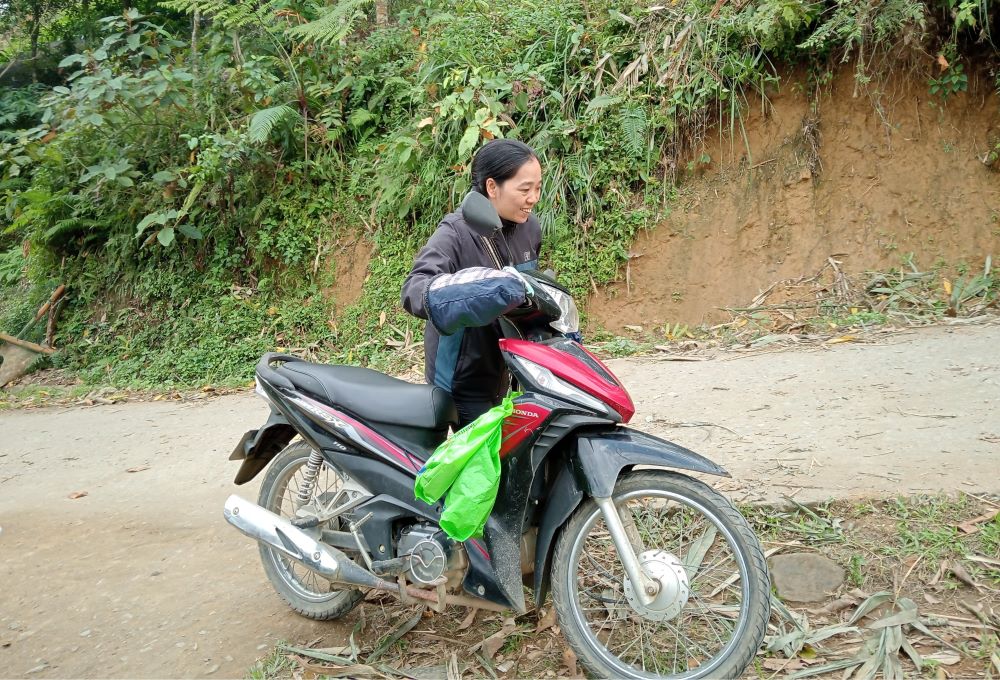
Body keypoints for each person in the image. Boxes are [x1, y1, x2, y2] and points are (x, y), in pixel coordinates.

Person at [401, 139, 543, 428]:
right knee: (483, 466)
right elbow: (415, 288)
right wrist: (470, 291)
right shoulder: (456, 232)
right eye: (525, 189)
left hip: (506, 368)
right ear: (492, 187)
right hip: (462, 378)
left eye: (538, 188)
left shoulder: (530, 228)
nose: (533, 198)